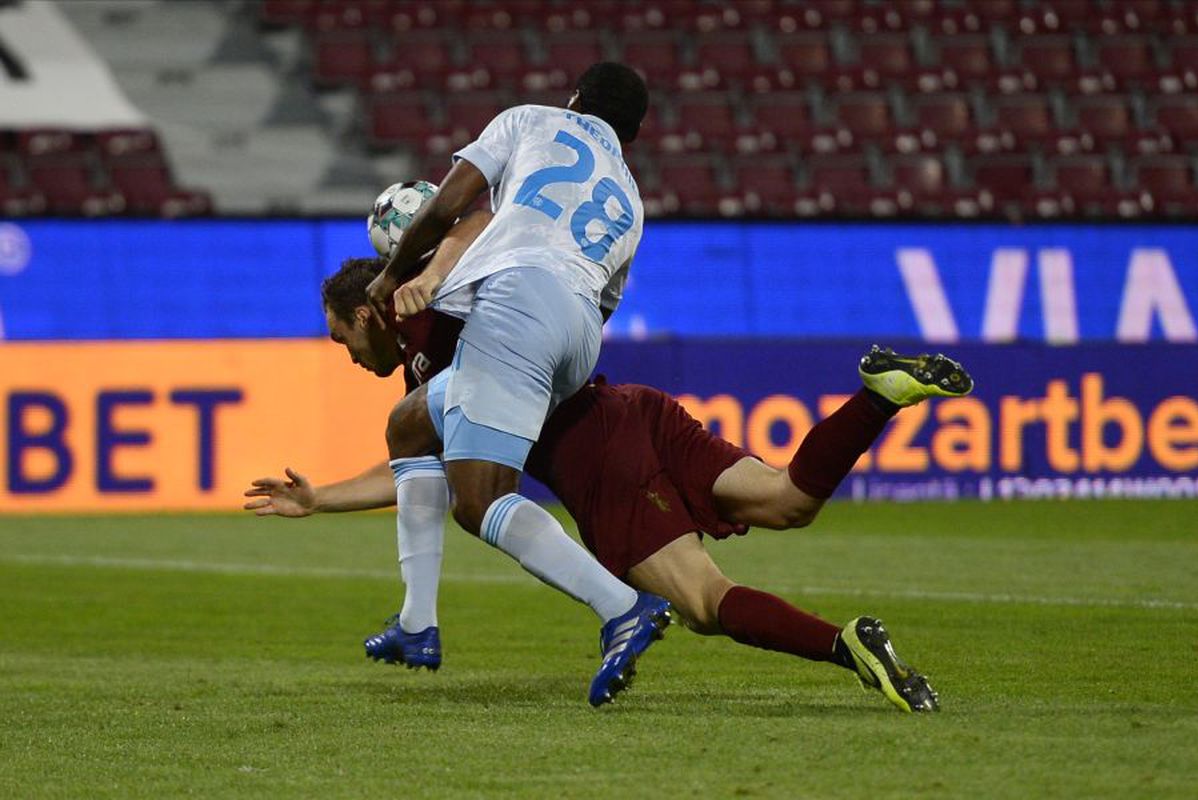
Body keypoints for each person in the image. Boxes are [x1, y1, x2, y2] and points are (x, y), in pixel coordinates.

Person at [245, 259, 974, 712]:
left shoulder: (436, 339)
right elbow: (422, 476)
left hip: (593, 459)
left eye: (343, 338)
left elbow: (432, 469)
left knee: (702, 602)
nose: (347, 356)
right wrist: (319, 498)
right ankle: (877, 397)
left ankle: (847, 646)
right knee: (789, 499)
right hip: (633, 408)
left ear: (367, 314)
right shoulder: (451, 328)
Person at [356, 62, 663, 706]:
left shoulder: (530, 120)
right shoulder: (632, 199)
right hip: (579, 330)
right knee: (409, 425)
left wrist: (390, 276)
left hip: (519, 299)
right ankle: (416, 623)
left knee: (480, 501)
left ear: (574, 98)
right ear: (631, 134)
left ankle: (622, 607)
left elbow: (449, 206)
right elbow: (607, 302)